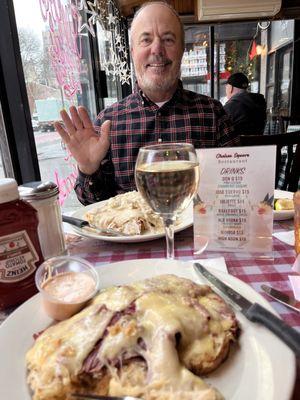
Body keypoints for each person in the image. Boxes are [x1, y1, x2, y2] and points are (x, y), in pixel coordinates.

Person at [55, 1, 238, 205]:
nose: (157, 49)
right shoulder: (108, 122)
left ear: (182, 50)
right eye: (146, 40)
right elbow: (93, 205)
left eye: (168, 39)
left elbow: (236, 186)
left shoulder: (212, 113)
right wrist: (89, 169)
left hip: (195, 235)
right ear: (132, 51)